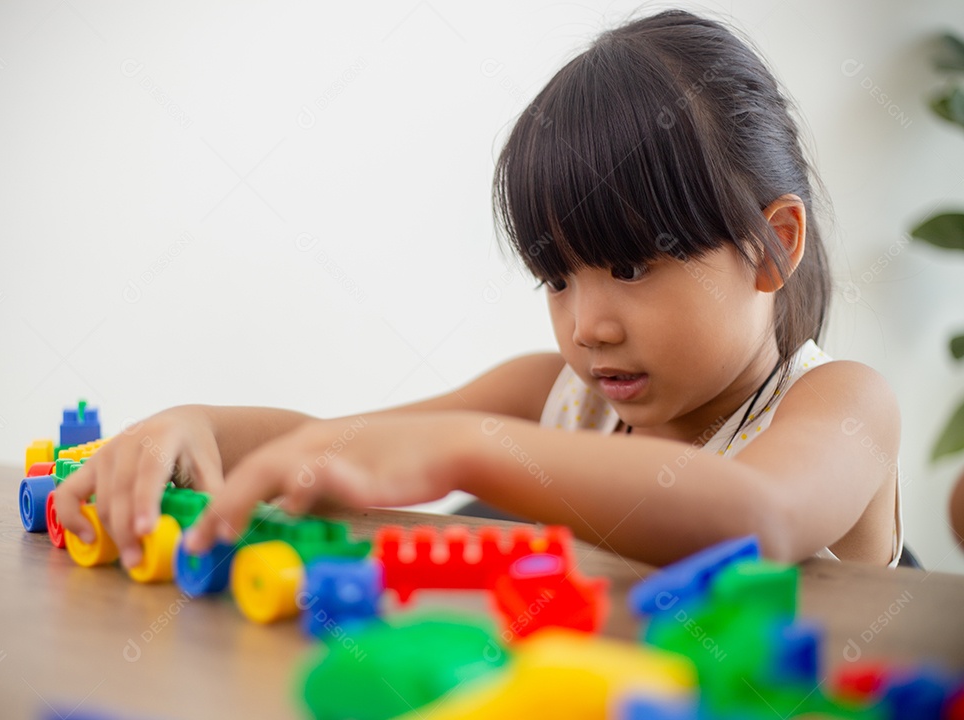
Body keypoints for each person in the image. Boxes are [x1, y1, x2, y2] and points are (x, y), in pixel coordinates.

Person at [56, 9, 903, 568]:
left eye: (633, 267)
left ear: (772, 246)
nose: (589, 326)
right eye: (557, 276)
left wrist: (464, 447)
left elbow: (764, 517)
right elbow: (327, 441)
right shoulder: (558, 399)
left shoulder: (841, 405)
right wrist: (194, 425)